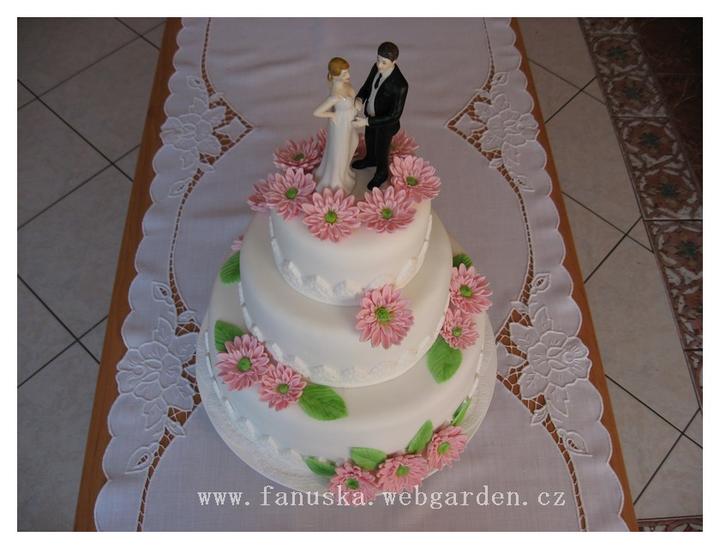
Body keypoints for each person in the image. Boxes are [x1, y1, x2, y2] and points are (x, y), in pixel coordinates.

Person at [351, 42, 409, 190]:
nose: (379, 65)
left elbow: (394, 115)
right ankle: (370, 159)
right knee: (370, 140)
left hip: (385, 125)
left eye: (384, 62)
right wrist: (360, 99)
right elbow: (367, 86)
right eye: (378, 59)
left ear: (394, 62)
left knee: (382, 149)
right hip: (370, 116)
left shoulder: (400, 85)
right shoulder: (375, 67)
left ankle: (382, 172)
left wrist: (367, 121)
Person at [313, 57, 361, 194]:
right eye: (344, 73)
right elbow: (317, 112)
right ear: (335, 76)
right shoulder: (336, 96)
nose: (348, 75)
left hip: (349, 123)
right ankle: (337, 181)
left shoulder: (347, 85)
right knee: (340, 153)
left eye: (348, 71)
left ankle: (345, 173)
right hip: (341, 126)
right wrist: (332, 115)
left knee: (354, 142)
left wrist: (357, 104)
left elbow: (355, 99)